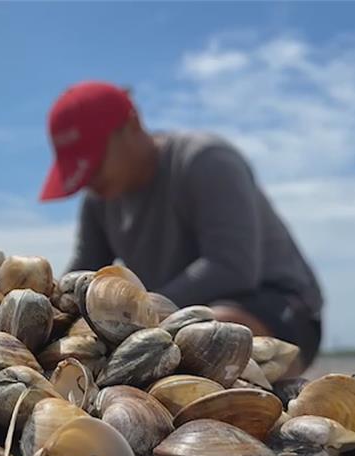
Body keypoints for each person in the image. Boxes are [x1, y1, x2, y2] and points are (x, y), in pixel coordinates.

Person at [40, 81, 324, 372]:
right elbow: (82, 275)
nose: (88, 180)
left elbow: (231, 266)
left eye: (93, 162)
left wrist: (141, 314)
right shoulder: (99, 199)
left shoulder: (203, 160)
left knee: (214, 333)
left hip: (279, 307)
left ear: (132, 124)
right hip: (170, 317)